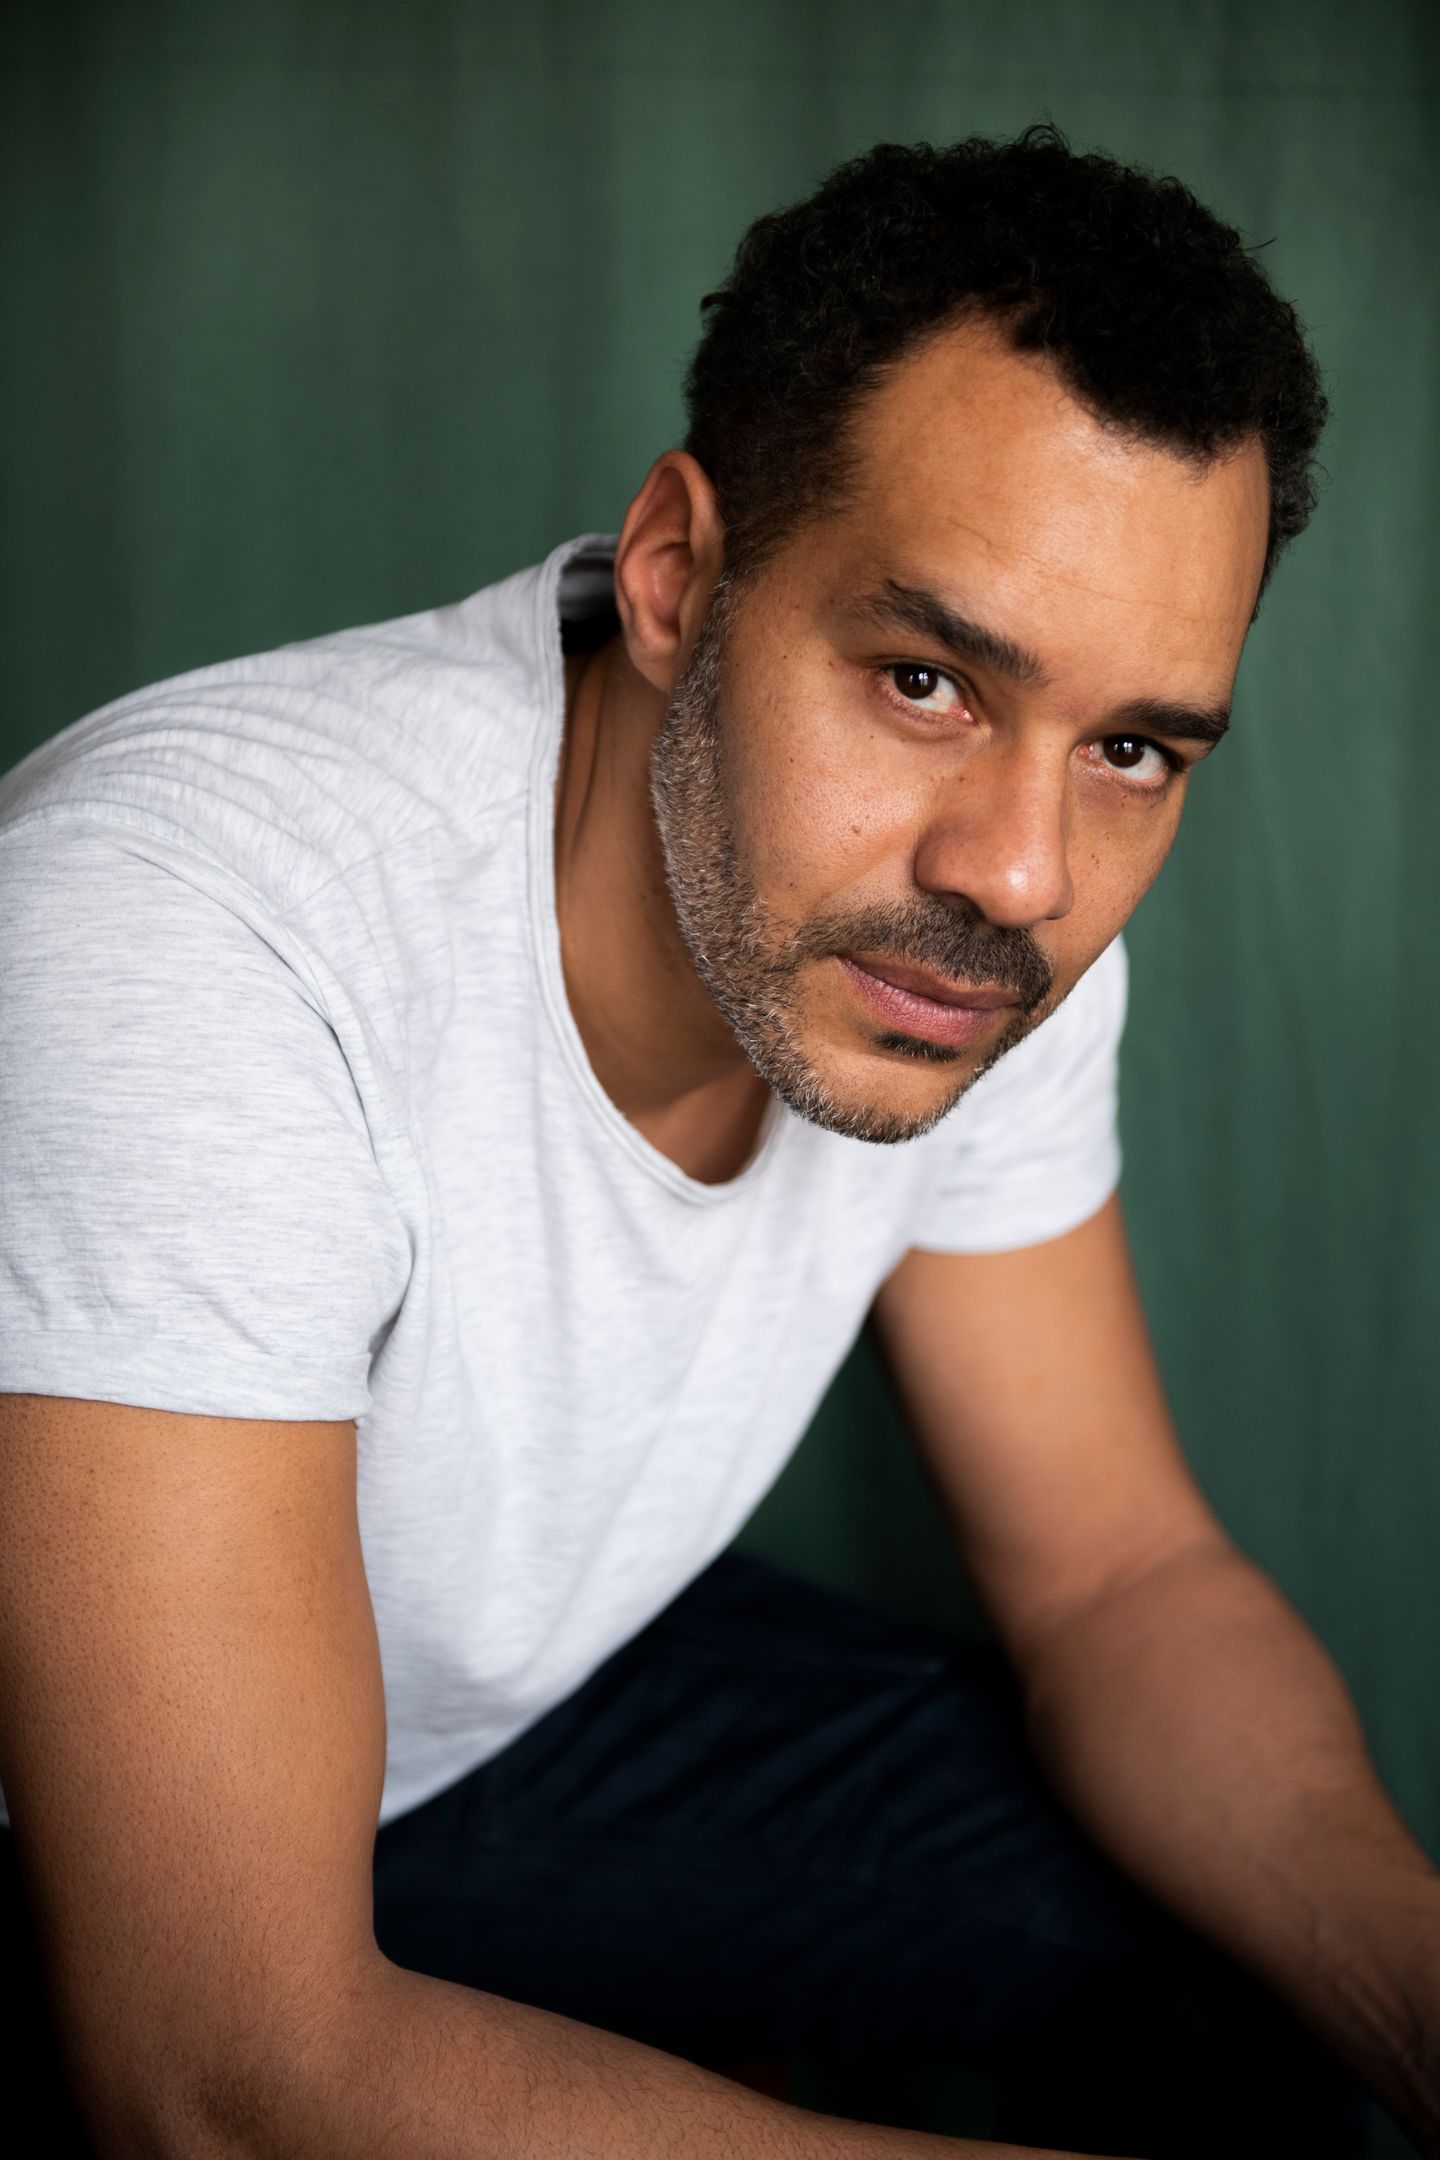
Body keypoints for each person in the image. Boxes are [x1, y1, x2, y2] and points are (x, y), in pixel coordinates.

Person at [0, 122, 1435, 2160]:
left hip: (494, 1708)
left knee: (1270, 1983)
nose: (1023, 871)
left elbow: (1119, 1575)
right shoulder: (188, 929)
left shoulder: (975, 940)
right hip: (90, 1847)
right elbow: (214, 2071)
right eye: (926, 679)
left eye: (1131, 746)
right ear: (678, 577)